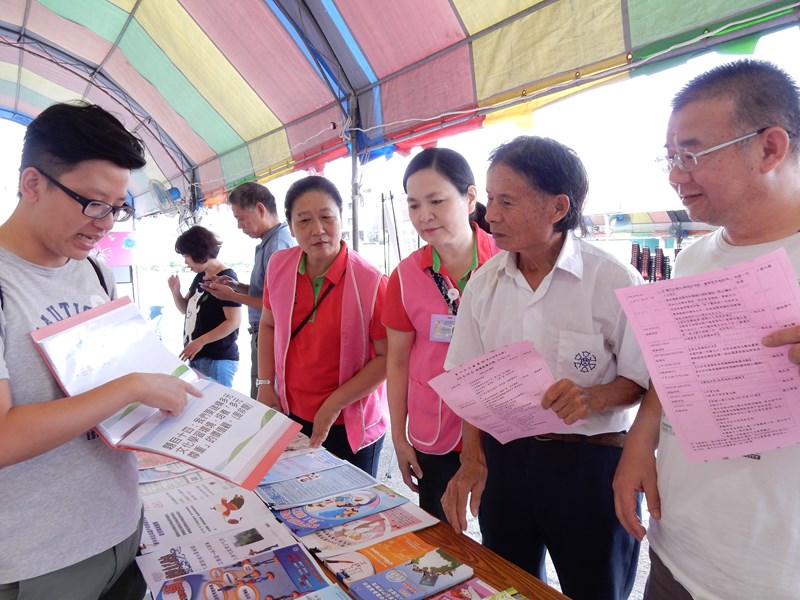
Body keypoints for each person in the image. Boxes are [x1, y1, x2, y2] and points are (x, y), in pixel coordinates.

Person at [613, 59, 800, 600]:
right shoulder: (694, 256)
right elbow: (677, 372)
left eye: (691, 155)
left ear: (770, 148)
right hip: (679, 549)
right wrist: (640, 442)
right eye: (669, 158)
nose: (675, 175)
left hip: (773, 573)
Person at [0, 102, 200, 599]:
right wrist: (130, 387)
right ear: (32, 184)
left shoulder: (93, 271)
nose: (107, 223)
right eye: (92, 203)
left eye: (118, 207)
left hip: (123, 526)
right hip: (40, 558)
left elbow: (113, 377)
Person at [441, 136, 648, 600]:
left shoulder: (612, 280)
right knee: (507, 585)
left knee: (596, 589)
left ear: (557, 206)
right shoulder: (484, 283)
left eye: (507, 201)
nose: (489, 214)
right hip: (507, 459)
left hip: (591, 465)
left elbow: (642, 380)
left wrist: (593, 396)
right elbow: (467, 380)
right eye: (491, 199)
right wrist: (472, 458)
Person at [382, 148, 499, 521]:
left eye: (436, 201)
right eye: (414, 205)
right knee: (440, 534)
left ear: (469, 198)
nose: (424, 216)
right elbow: (397, 361)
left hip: (497, 430)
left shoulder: (506, 263)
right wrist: (399, 438)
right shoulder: (404, 277)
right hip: (434, 428)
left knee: (504, 543)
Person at [256, 175, 388, 476]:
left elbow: (387, 358)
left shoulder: (371, 281)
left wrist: (334, 404)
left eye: (327, 217)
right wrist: (265, 384)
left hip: (347, 425)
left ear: (341, 219)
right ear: (290, 227)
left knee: (350, 516)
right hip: (293, 416)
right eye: (304, 221)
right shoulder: (279, 265)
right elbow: (268, 325)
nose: (318, 230)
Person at [202, 182, 295, 398]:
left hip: (269, 335)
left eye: (240, 218)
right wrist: (236, 286)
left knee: (266, 399)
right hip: (262, 333)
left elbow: (279, 306)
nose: (239, 226)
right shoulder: (269, 242)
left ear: (261, 209)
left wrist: (233, 297)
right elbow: (266, 292)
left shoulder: (278, 245)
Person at [168, 225, 241, 387]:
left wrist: (201, 341)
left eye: (186, 255)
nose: (185, 262)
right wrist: (175, 291)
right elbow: (185, 310)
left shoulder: (226, 277)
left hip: (218, 359)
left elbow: (233, 321)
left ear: (198, 252)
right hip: (197, 356)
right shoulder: (200, 276)